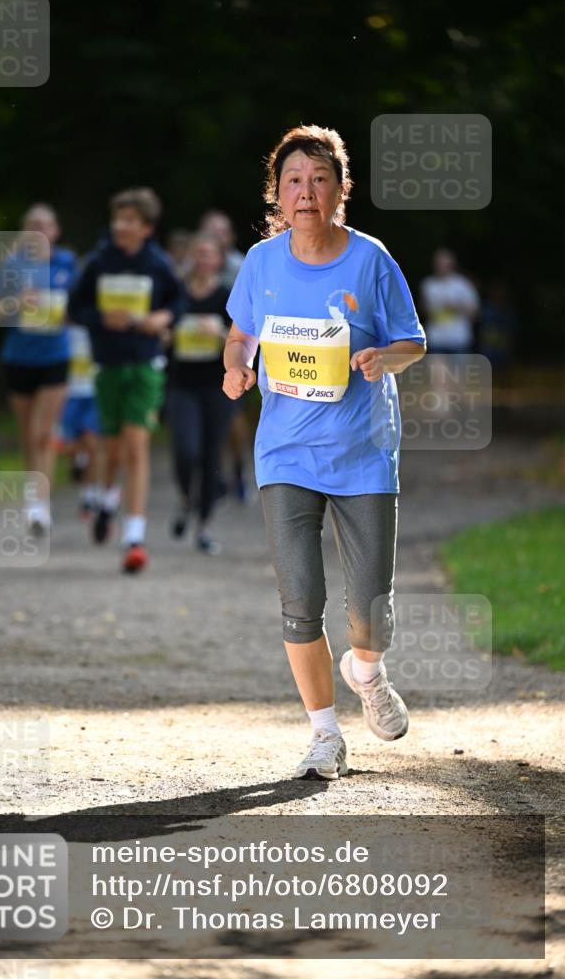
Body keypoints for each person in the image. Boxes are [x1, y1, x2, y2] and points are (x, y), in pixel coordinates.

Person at [223, 124, 427, 780]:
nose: (304, 192)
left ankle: (365, 671)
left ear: (340, 190)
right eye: (292, 181)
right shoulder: (260, 263)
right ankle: (322, 734)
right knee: (299, 599)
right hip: (284, 454)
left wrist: (381, 356)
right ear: (275, 193)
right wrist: (236, 368)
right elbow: (239, 335)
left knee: (370, 605)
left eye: (317, 180)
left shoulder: (370, 259)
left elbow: (412, 342)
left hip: (363, 453)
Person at [68, 187, 185, 573]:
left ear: (146, 227)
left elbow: (177, 301)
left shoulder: (158, 263)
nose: (121, 226)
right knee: (113, 450)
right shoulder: (99, 262)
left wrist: (162, 319)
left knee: (136, 448)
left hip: (146, 365)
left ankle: (134, 538)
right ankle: (106, 501)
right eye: (118, 218)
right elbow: (75, 307)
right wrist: (102, 319)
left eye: (130, 220)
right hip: (107, 365)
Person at [0, 204, 77, 535]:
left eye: (45, 225)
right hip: (19, 358)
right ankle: (35, 495)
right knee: (28, 436)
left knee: (43, 433)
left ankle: (39, 506)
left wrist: (71, 313)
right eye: (33, 225)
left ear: (55, 231)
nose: (39, 230)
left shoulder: (68, 262)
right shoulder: (12, 266)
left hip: (56, 355)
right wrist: (14, 304)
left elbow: (85, 302)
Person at [167, 233, 235, 554]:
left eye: (209, 254)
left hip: (216, 386)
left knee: (210, 456)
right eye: (197, 253)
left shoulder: (227, 295)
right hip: (181, 384)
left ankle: (205, 526)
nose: (202, 260)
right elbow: (161, 327)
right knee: (186, 450)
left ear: (218, 260)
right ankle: (185, 499)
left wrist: (220, 334)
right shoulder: (175, 293)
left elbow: (244, 340)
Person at [199, 209, 252, 501]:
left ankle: (239, 469)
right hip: (198, 355)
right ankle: (213, 476)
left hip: (232, 348)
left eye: (220, 233)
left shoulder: (243, 265)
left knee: (233, 417)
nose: (214, 238)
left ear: (229, 238)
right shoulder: (192, 265)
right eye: (209, 231)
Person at [58, 323, 101, 518]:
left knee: (91, 442)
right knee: (72, 446)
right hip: (69, 392)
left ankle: (88, 497)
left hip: (94, 391)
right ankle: (78, 459)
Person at [419, 248, 479, 355]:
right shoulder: (428, 285)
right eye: (439, 263)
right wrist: (430, 310)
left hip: (459, 340)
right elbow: (423, 310)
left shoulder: (463, 284)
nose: (442, 267)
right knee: (437, 372)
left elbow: (475, 312)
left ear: (452, 264)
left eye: (445, 263)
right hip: (436, 340)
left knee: (459, 372)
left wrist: (456, 308)